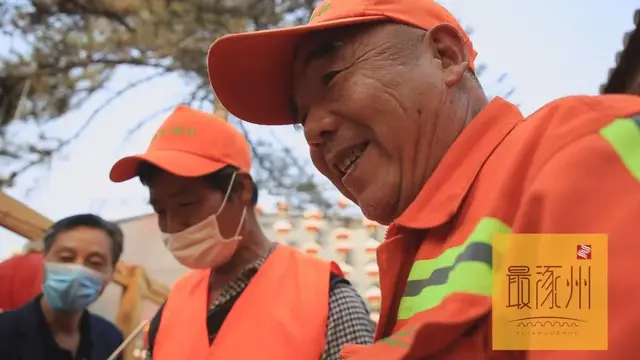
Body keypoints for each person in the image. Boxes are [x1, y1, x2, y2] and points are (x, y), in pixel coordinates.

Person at [205, 0, 640, 359]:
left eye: (332, 78)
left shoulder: (560, 163)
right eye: (300, 120)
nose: (314, 132)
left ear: (446, 56)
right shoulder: (422, 244)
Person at [108, 105, 374, 360]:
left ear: (242, 190)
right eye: (160, 210)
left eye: (186, 204)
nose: (172, 224)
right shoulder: (172, 307)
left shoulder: (327, 299)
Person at [0, 214, 125, 360]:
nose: (77, 271)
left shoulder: (111, 340)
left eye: (95, 262)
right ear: (44, 259)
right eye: (66, 258)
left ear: (111, 272)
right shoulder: (4, 332)